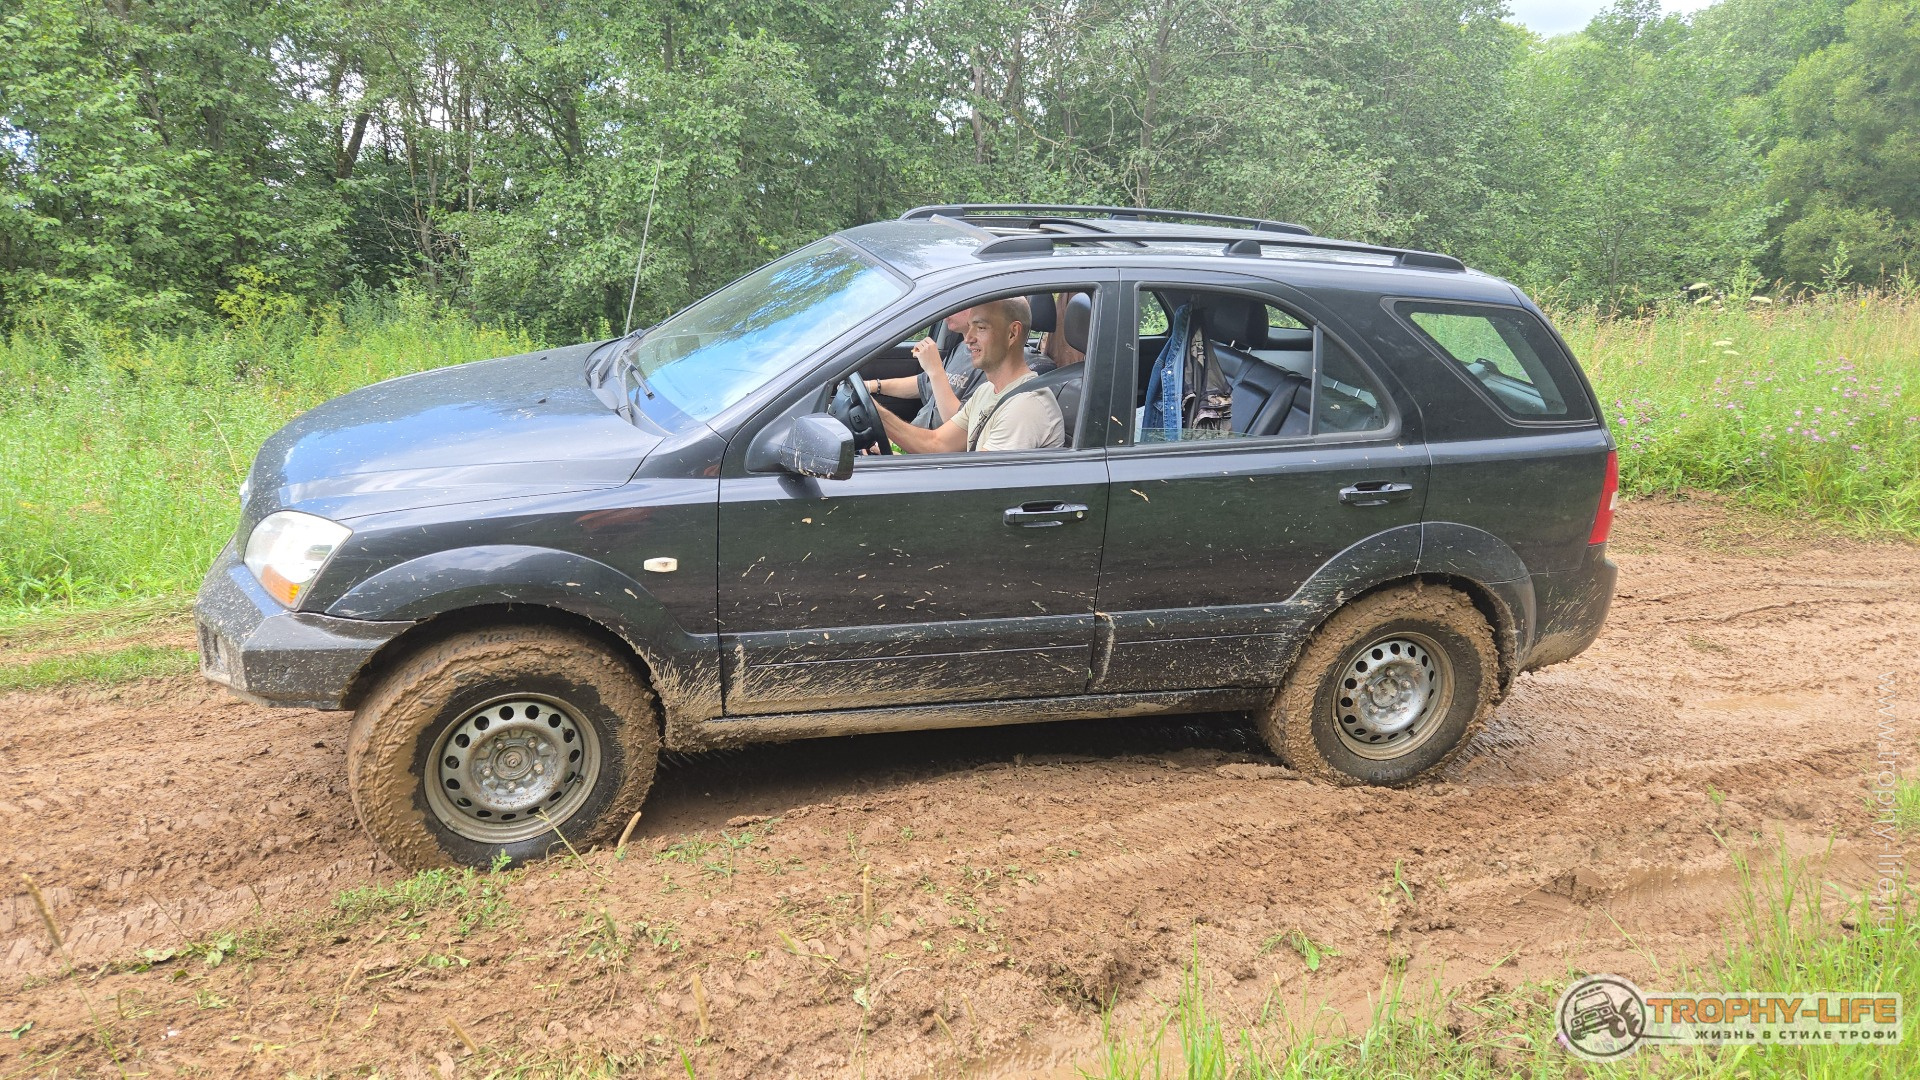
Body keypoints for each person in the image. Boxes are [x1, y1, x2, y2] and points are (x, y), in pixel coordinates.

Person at [879, 297, 1064, 454]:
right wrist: (879, 415)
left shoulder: (1025, 406)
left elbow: (978, 479)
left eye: (981, 327)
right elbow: (937, 443)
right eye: (970, 326)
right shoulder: (986, 391)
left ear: (1012, 333)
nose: (968, 339)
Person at [865, 310, 981, 428]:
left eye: (982, 328)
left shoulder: (985, 366)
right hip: (917, 432)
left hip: (929, 438)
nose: (946, 312)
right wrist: (872, 386)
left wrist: (935, 370)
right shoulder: (961, 348)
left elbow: (960, 427)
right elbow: (923, 383)